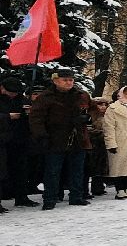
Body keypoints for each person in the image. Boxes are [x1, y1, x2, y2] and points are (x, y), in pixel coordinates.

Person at [29, 67, 94, 210]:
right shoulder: (45, 97)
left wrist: (87, 118)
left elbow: (93, 109)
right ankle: (50, 199)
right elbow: (36, 119)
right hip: (54, 138)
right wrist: (41, 136)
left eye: (71, 80)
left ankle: (76, 196)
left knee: (77, 169)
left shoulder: (80, 95)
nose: (69, 82)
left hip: (77, 138)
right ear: (55, 80)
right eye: (65, 80)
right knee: (52, 171)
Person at [1, 76, 38, 207]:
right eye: (11, 92)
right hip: (2, 140)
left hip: (20, 140)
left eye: (16, 92)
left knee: (21, 170)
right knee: (2, 172)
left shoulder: (22, 100)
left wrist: (29, 113)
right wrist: (8, 117)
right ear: (3, 88)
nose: (13, 95)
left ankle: (21, 197)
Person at [86, 97, 111, 197]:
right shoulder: (90, 115)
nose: (103, 107)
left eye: (105, 105)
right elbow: (88, 130)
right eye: (100, 104)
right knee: (91, 167)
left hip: (103, 144)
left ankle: (98, 187)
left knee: (101, 166)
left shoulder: (109, 115)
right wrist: (100, 133)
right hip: (93, 144)